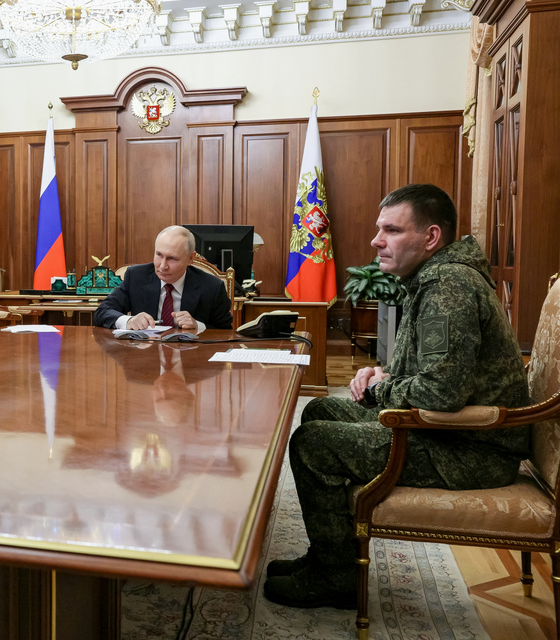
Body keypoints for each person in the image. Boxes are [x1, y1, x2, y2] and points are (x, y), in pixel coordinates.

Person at [263, 184, 530, 609]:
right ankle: (332, 555)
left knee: (313, 444)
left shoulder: (447, 284)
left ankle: (336, 580)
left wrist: (379, 388)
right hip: (446, 432)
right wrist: (383, 373)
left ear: (431, 237)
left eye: (391, 230)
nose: (376, 241)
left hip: (469, 449)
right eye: (379, 229)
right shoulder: (432, 278)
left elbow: (441, 392)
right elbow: (436, 370)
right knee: (319, 409)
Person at [93, 225, 233, 331]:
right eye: (159, 255)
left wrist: (198, 326)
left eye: (172, 258)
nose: (162, 266)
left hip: (190, 357)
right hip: (144, 356)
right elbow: (102, 311)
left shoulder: (212, 287)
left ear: (190, 258)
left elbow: (225, 331)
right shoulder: (136, 277)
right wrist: (128, 321)